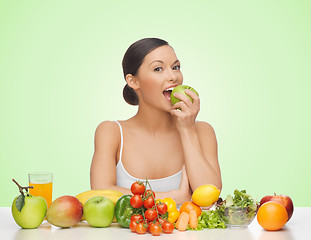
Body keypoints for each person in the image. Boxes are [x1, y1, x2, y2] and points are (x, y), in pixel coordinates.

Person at [90, 38, 222, 204]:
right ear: (133, 81)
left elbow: (209, 196)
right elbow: (101, 192)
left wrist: (187, 130)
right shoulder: (111, 132)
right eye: (158, 69)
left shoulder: (202, 131)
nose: (173, 76)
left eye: (176, 67)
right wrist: (171, 198)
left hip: (187, 231)